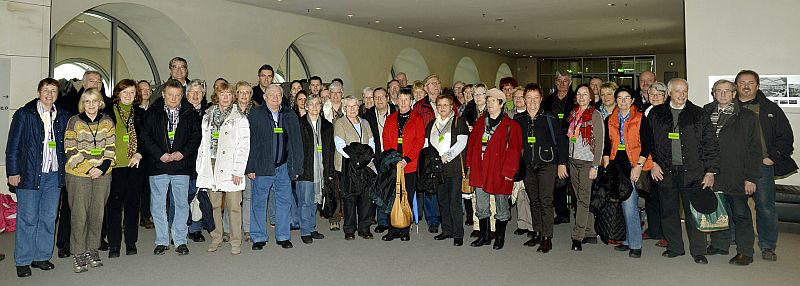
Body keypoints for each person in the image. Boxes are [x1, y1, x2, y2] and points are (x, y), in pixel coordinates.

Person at [649, 78, 719, 264]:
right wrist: (652, 163)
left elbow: (710, 143)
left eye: (685, 91)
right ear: (669, 93)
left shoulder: (698, 113)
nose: (682, 95)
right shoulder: (656, 113)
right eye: (678, 91)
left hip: (692, 173)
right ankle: (675, 247)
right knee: (669, 211)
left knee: (693, 213)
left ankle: (698, 251)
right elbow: (648, 142)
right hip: (665, 171)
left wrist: (710, 171)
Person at [7, 78, 70, 278]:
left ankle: (41, 256)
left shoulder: (63, 116)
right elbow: (13, 146)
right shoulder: (24, 114)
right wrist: (13, 171)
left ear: (58, 94)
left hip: (54, 176)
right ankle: (23, 260)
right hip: (29, 174)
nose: (49, 94)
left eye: (53, 91)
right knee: (28, 218)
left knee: (49, 218)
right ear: (38, 92)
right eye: (45, 90)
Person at [735, 70, 797, 261]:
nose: (746, 86)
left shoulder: (771, 109)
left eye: (750, 83)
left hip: (762, 166)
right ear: (736, 86)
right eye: (742, 82)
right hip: (734, 166)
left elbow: (786, 138)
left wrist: (772, 157)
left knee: (765, 206)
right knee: (734, 205)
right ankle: (731, 240)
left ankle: (768, 245)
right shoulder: (728, 107)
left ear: (758, 86)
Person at [139, 79, 202, 256]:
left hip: (181, 165)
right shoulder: (152, 113)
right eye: (170, 95)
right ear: (163, 94)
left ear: (182, 96)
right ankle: (161, 240)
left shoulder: (190, 113)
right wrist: (160, 154)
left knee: (181, 204)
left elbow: (196, 137)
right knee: (158, 205)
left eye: (177, 95)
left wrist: (182, 153)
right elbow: (145, 136)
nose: (174, 98)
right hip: (158, 165)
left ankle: (180, 240)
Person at [702, 79, 761, 266]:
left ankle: (745, 251)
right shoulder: (705, 113)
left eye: (727, 91)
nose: (723, 94)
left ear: (734, 94)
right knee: (718, 211)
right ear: (713, 93)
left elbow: (755, 150)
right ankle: (720, 244)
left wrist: (751, 177)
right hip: (713, 173)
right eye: (718, 91)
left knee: (741, 214)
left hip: (737, 174)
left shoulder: (747, 116)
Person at [63, 87, 115, 273]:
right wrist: (89, 168)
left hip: (102, 175)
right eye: (87, 101)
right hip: (78, 176)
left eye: (94, 101)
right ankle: (78, 252)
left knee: (97, 214)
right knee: (79, 215)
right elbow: (70, 149)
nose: (91, 105)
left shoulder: (107, 121)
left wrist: (101, 169)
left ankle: (92, 249)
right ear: (82, 103)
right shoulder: (74, 122)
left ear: (100, 102)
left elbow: (111, 148)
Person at [246, 84, 304, 250]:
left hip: (284, 167)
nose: (275, 97)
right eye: (271, 94)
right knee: (258, 202)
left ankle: (283, 236)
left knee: (284, 202)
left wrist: (297, 167)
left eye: (278, 95)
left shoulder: (289, 114)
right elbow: (250, 143)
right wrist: (250, 167)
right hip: (262, 167)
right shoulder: (256, 115)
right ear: (265, 96)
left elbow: (296, 142)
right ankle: (258, 237)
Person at [196, 81, 250, 255]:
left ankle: (235, 241)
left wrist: (238, 171)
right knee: (214, 206)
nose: (225, 98)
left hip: (230, 167)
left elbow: (244, 146)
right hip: (210, 165)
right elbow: (202, 144)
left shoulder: (239, 117)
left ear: (233, 96)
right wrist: (200, 166)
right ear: (216, 96)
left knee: (234, 206)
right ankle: (216, 237)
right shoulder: (207, 115)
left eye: (228, 94)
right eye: (222, 94)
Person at [466, 88, 522, 250]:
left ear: (501, 104)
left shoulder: (511, 126)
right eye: (488, 100)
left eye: (493, 101)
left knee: (501, 206)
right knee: (481, 206)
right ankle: (484, 236)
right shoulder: (480, 123)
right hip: (481, 170)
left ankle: (499, 237)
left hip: (500, 172)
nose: (489, 104)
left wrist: (508, 173)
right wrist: (469, 164)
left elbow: (514, 151)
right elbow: (472, 144)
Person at [515, 84, 568, 253]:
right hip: (528, 165)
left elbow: (561, 141)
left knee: (545, 200)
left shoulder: (550, 118)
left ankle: (547, 237)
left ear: (541, 99)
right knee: (534, 200)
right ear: (524, 99)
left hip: (548, 164)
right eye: (528, 98)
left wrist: (562, 163)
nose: (532, 102)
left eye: (535, 98)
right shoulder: (519, 120)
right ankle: (537, 233)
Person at [602, 86, 653, 258]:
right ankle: (627, 240)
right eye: (620, 98)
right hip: (617, 168)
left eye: (626, 98)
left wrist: (638, 166)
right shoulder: (610, 119)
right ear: (616, 101)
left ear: (632, 100)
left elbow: (647, 145)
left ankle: (636, 244)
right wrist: (606, 163)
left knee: (630, 206)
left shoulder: (640, 118)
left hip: (634, 166)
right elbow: (607, 144)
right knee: (621, 204)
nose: (623, 101)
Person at [104, 80, 146, 258]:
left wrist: (139, 153)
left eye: (131, 92)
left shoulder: (141, 113)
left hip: (135, 165)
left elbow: (147, 137)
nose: (128, 95)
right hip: (115, 166)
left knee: (132, 205)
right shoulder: (107, 113)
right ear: (118, 93)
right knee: (114, 206)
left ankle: (130, 242)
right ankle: (114, 244)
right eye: (124, 92)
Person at [425, 93, 469, 246]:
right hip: (437, 168)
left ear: (452, 107)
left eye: (446, 105)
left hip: (454, 167)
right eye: (440, 105)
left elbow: (462, 143)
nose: (442, 108)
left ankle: (458, 234)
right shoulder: (431, 124)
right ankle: (447, 230)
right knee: (442, 200)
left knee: (454, 202)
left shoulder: (459, 121)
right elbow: (426, 145)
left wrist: (447, 156)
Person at [382, 88, 425, 241]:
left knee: (406, 196)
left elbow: (419, 141)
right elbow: (386, 140)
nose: (403, 102)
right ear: (397, 101)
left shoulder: (417, 119)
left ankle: (405, 229)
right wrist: (392, 159)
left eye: (406, 99)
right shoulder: (390, 118)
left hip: (409, 165)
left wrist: (407, 159)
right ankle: (392, 229)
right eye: (401, 99)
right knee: (392, 197)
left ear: (411, 101)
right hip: (393, 165)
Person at [566, 84, 604, 251]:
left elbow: (600, 143)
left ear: (591, 97)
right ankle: (590, 230)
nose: (581, 97)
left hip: (588, 162)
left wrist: (595, 165)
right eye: (579, 94)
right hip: (572, 160)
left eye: (585, 94)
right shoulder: (573, 114)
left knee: (583, 198)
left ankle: (577, 236)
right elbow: (569, 138)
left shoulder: (595, 115)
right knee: (579, 198)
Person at [334, 96, 376, 240]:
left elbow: (371, 143)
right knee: (350, 199)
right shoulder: (340, 123)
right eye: (349, 106)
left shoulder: (365, 123)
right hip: (348, 166)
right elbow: (340, 145)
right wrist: (357, 160)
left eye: (355, 106)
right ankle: (349, 229)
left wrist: (366, 160)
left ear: (359, 108)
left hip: (366, 166)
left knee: (366, 199)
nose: (352, 109)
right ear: (344, 108)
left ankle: (364, 228)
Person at [297, 95, 333, 244]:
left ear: (321, 106)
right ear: (306, 106)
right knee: (305, 201)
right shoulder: (299, 124)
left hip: (321, 170)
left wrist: (330, 172)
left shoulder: (327, 126)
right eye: (310, 104)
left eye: (317, 104)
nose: (314, 107)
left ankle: (311, 227)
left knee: (315, 200)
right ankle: (305, 230)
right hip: (305, 169)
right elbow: (294, 149)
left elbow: (331, 150)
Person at [543, 70, 576, 225]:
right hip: (554, 143)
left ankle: (579, 213)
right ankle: (562, 212)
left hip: (574, 143)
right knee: (558, 180)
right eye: (559, 81)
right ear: (555, 82)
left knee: (575, 181)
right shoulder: (548, 100)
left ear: (570, 82)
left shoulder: (576, 99)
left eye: (565, 81)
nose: (562, 84)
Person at [183, 80, 212, 243]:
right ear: (186, 94)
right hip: (184, 161)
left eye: (199, 92)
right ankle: (181, 228)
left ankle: (196, 229)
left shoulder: (208, 113)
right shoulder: (180, 112)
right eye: (192, 92)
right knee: (183, 197)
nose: (196, 95)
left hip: (203, 162)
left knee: (199, 196)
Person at [363, 87, 396, 233]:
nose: (379, 99)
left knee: (393, 189)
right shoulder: (368, 116)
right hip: (376, 156)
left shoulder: (396, 112)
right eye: (376, 97)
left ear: (388, 97)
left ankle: (394, 220)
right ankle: (382, 221)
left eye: (382, 96)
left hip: (393, 156)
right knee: (379, 188)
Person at [642, 81, 668, 248]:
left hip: (663, 162)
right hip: (648, 160)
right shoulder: (645, 112)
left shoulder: (668, 113)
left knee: (666, 200)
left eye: (659, 94)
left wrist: (656, 162)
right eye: (652, 94)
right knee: (651, 197)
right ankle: (654, 229)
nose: (655, 97)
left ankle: (667, 234)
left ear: (666, 96)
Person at [232, 81, 258, 242]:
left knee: (248, 197)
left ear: (251, 95)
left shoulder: (257, 112)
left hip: (249, 159)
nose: (244, 95)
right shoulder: (229, 111)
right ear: (236, 94)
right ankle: (228, 229)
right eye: (240, 92)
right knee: (232, 198)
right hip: (232, 161)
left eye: (247, 92)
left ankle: (248, 229)